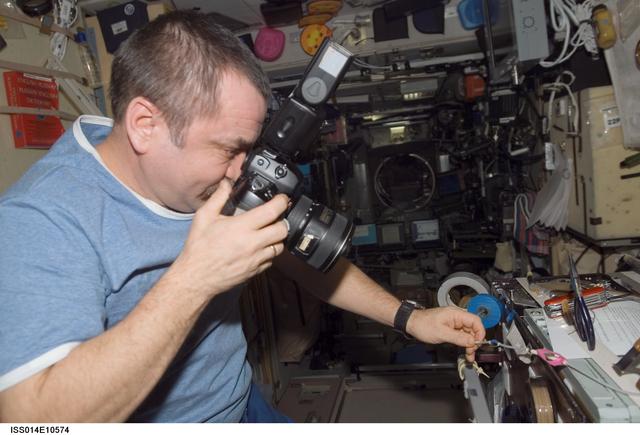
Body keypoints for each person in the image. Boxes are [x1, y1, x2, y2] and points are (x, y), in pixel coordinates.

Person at [0, 10, 485, 422]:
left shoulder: (200, 176)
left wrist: (410, 318)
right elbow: (31, 420)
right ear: (146, 125)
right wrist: (195, 278)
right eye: (229, 149)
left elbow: (298, 257)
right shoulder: (43, 221)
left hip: (243, 402)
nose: (242, 171)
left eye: (248, 149)